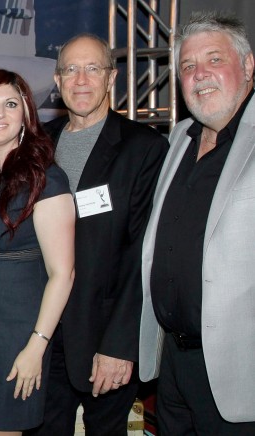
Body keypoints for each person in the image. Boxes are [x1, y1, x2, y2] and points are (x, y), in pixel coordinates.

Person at [28, 34, 168, 435]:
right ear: (57, 79)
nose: (81, 79)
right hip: (44, 335)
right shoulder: (39, 143)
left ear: (112, 78)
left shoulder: (142, 148)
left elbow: (142, 254)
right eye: (71, 69)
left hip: (102, 338)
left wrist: (120, 346)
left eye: (93, 68)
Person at [139, 11, 255, 434]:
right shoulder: (178, 140)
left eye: (214, 60)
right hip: (173, 362)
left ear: (247, 66)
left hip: (238, 371)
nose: (199, 74)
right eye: (187, 66)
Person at [0, 69, 75, 435]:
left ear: (26, 115)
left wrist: (36, 347)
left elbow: (63, 274)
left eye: (11, 104)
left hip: (16, 334)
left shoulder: (47, 179)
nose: (0, 114)